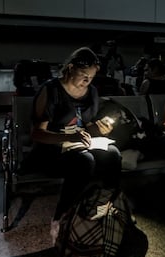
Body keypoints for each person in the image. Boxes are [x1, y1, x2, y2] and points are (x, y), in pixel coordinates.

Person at [29, 47, 122, 244]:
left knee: (113, 154)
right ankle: (61, 216)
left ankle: (104, 204)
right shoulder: (51, 90)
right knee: (84, 161)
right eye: (83, 75)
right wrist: (69, 138)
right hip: (52, 148)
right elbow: (37, 134)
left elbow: (86, 126)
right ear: (70, 68)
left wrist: (99, 128)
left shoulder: (92, 92)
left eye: (91, 77)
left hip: (79, 143)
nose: (87, 81)